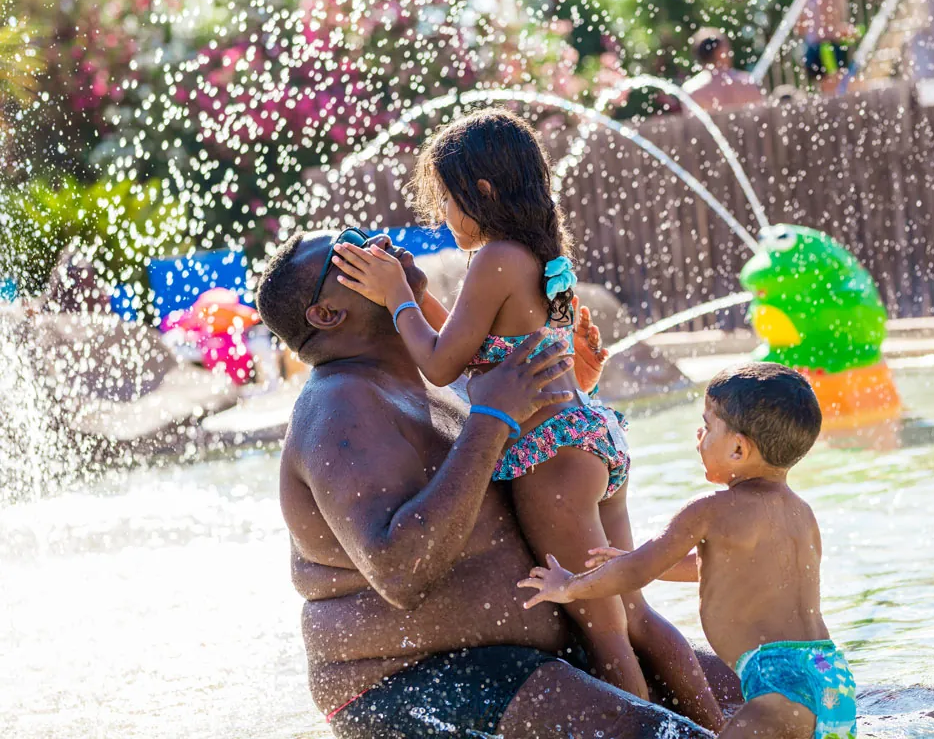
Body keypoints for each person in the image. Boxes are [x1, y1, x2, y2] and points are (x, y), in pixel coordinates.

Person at [329, 108, 723, 729]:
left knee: (607, 633)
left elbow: (439, 362)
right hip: (589, 438)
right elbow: (476, 339)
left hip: (550, 461)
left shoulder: (493, 260)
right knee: (638, 614)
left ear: (482, 193)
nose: (442, 219)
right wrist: (414, 283)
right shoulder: (538, 253)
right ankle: (722, 728)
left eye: (448, 202)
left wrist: (395, 296)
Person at [254, 229, 727, 738]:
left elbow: (511, 466)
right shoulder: (338, 407)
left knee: (765, 700)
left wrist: (562, 396)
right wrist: (493, 414)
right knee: (662, 734)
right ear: (326, 314)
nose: (381, 244)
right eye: (352, 247)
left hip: (543, 649)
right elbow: (399, 573)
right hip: (405, 680)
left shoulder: (430, 374)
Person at [520, 363, 859, 739]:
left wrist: (570, 585)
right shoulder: (801, 513)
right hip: (831, 677)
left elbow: (638, 572)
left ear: (737, 448)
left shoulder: (710, 510)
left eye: (708, 425)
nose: (699, 434)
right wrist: (642, 564)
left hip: (777, 681)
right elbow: (717, 568)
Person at [797, 0, 907, 95]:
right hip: (828, 49)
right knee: (840, 94)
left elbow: (800, 24)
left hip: (811, 49)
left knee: (828, 97)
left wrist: (829, 27)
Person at [682, 28, 765, 112]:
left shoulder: (691, 91)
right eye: (728, 47)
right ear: (721, 52)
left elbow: (690, 123)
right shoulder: (747, 82)